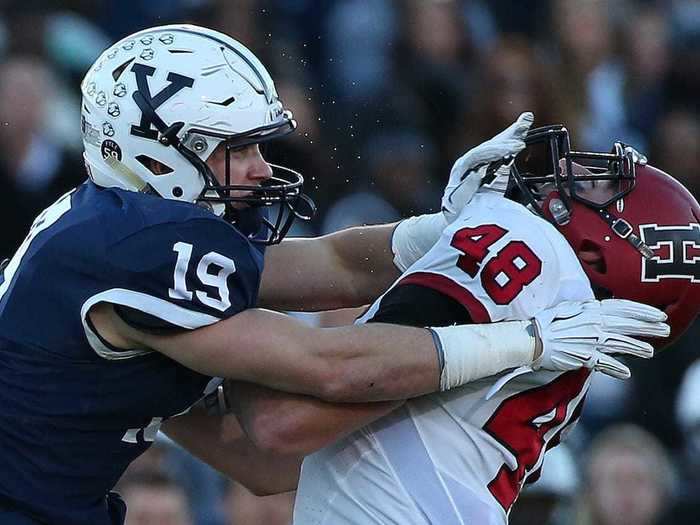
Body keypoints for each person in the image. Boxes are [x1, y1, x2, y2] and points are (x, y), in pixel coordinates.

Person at [0, 25, 667, 525]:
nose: (262, 167)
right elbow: (330, 366)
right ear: (159, 152)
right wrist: (526, 341)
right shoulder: (136, 244)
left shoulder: (118, 226)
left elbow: (333, 267)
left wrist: (453, 227)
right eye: (238, 148)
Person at [224, 125, 698, 524]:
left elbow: (280, 421)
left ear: (602, 250)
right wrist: (435, 230)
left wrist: (179, 312)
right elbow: (271, 462)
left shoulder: (535, 253)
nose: (573, 172)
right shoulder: (566, 333)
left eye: (604, 187)